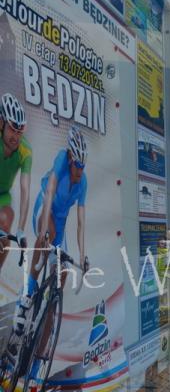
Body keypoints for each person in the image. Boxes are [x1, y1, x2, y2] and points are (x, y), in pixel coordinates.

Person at [14, 126, 88, 335]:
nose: (80, 171)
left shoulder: (83, 182)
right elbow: (49, 192)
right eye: (78, 166)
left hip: (61, 223)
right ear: (71, 159)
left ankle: (40, 348)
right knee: (50, 235)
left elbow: (81, 222)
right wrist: (45, 228)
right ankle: (27, 293)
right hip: (44, 208)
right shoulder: (61, 161)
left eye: (84, 167)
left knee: (63, 274)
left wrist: (83, 257)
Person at [0, 93, 31, 272]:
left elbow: (25, 190)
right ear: (1, 123)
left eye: (20, 131)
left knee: (7, 220)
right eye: (12, 129)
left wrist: (20, 229)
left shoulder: (25, 151)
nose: (16, 137)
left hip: (3, 195)